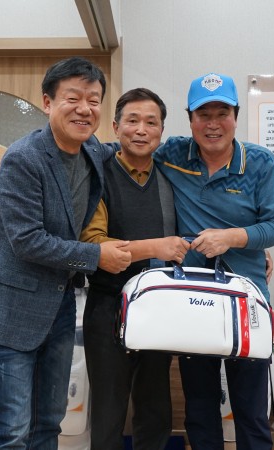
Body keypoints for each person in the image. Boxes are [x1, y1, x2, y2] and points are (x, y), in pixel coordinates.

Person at [0, 57, 132, 450]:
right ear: (47, 102)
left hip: (59, 306)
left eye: (93, 100)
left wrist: (168, 144)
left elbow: (126, 147)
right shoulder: (23, 159)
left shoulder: (91, 149)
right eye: (73, 98)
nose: (84, 109)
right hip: (12, 309)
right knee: (12, 431)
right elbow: (28, 241)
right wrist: (96, 256)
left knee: (49, 422)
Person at [152, 72, 274, 450]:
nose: (213, 124)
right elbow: (126, 150)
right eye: (203, 115)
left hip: (246, 301)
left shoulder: (260, 163)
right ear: (190, 119)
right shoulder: (172, 155)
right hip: (192, 299)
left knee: (251, 410)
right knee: (199, 406)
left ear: (236, 116)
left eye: (222, 114)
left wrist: (231, 238)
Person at [80, 88, 190, 450]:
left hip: (160, 306)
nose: (141, 129)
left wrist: (251, 253)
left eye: (151, 122)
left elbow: (198, 225)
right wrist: (155, 247)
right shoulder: (98, 175)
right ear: (115, 127)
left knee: (155, 410)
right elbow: (95, 245)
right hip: (108, 305)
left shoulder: (171, 177)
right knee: (109, 413)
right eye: (132, 120)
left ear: (161, 132)